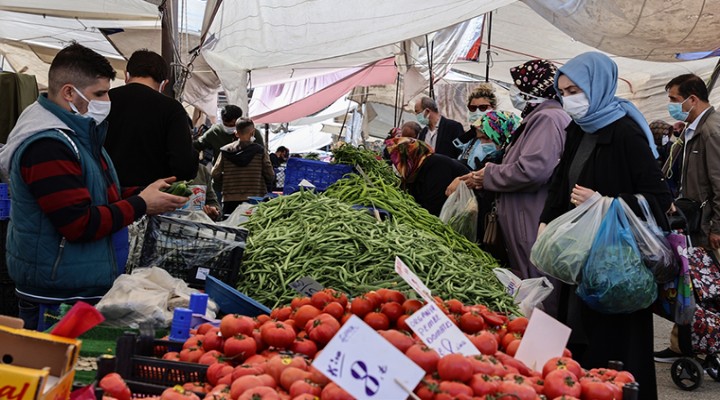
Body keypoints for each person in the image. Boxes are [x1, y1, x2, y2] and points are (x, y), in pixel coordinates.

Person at [0, 43, 188, 329]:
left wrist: (142, 193)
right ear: (68, 92)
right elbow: (78, 223)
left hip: (75, 285)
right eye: (99, 94)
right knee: (51, 368)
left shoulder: (78, 135)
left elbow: (94, 193)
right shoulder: (47, 145)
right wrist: (141, 204)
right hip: (57, 294)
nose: (106, 101)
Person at [539, 52, 672, 400]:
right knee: (581, 341)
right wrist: (545, 221)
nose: (569, 99)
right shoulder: (576, 130)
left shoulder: (626, 133)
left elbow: (659, 199)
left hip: (619, 266)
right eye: (563, 91)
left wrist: (606, 203)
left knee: (619, 348)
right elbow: (560, 183)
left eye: (575, 90)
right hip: (582, 258)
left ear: (598, 86)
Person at [654, 73, 720, 363]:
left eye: (674, 100)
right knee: (690, 285)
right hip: (692, 221)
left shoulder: (712, 131)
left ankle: (705, 345)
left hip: (708, 225)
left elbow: (719, 183)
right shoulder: (692, 129)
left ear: (692, 99)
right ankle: (683, 346)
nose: (671, 105)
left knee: (709, 290)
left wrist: (718, 226)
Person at [104, 49, 198, 187]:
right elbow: (184, 167)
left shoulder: (104, 101)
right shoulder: (172, 109)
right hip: (152, 199)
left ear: (126, 75)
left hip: (105, 194)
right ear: (164, 84)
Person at [385, 137, 469, 216]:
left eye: (397, 160)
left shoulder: (437, 165)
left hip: (464, 212)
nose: (396, 165)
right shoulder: (415, 169)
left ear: (408, 157)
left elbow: (434, 206)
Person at [212, 118, 275, 215]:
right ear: (252, 132)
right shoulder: (260, 151)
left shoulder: (225, 151)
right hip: (255, 199)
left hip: (230, 199)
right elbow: (270, 175)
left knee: (230, 226)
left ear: (236, 133)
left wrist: (226, 181)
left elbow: (215, 173)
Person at [194, 104, 265, 166]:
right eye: (226, 124)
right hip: (222, 176)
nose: (229, 127)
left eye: (232, 125)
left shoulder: (252, 133)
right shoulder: (215, 132)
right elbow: (197, 145)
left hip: (247, 176)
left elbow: (263, 155)